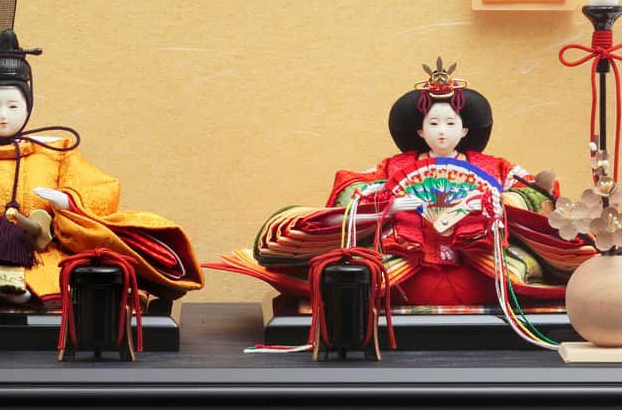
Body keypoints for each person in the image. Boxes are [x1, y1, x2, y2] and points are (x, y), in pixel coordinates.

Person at [208, 59, 595, 306]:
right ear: (419, 130)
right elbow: (351, 193)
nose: (442, 131)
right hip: (405, 268)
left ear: (465, 129)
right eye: (433, 123)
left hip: (481, 266)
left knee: (531, 261)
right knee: (353, 278)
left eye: (450, 123)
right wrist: (388, 206)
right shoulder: (395, 167)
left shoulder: (493, 166)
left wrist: (496, 203)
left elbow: (534, 193)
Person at [0, 28, 203, 306]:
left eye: (13, 106)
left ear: (28, 108)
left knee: (51, 284)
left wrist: (67, 202)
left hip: (37, 254)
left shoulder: (56, 151)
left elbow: (99, 189)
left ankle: (16, 290)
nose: (3, 115)